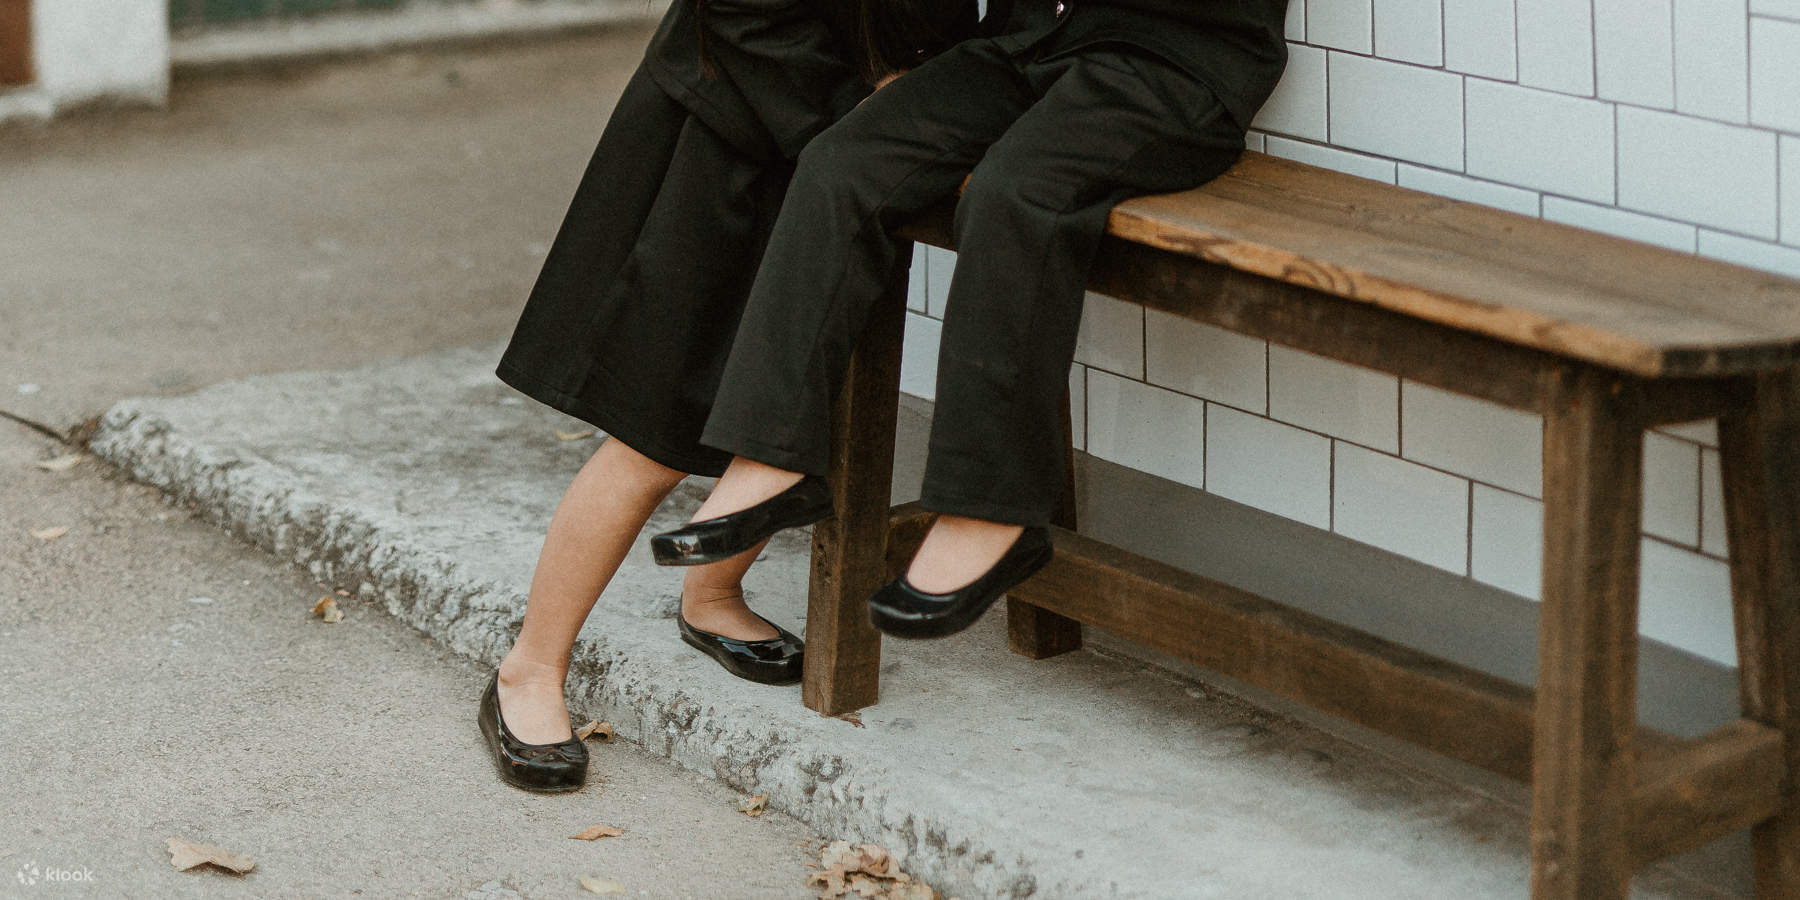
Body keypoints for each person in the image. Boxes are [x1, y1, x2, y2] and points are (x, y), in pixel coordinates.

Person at [651, 0, 1291, 638]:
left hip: (1175, 57)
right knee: (842, 162)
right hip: (1035, 36)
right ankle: (773, 454)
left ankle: (991, 512)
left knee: (1015, 193)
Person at [480, 0, 977, 793]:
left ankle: (711, 595)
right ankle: (528, 669)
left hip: (846, 162)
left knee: (788, 413)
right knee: (655, 429)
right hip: (723, 134)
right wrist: (866, 111)